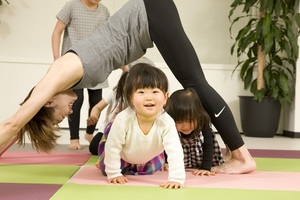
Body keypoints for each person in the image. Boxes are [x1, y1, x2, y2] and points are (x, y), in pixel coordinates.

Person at [0, 0, 256, 174]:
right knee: (195, 83)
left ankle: (243, 157)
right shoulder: (61, 80)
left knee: (195, 84)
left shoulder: (58, 74)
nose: (67, 115)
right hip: (150, 19)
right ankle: (241, 155)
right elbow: (20, 123)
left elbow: (13, 122)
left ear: (47, 102)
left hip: (150, 14)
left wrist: (17, 127)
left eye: (56, 118)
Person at [97, 63, 185, 189]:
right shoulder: (123, 119)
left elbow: (175, 150)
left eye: (155, 91)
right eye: (141, 92)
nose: (149, 98)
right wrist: (114, 173)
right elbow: (113, 147)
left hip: (148, 155)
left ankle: (137, 166)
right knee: (107, 168)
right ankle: (118, 165)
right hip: (123, 155)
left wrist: (176, 179)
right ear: (130, 98)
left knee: (153, 169)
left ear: (165, 97)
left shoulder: (167, 122)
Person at [51, 0, 110, 150]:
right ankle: (74, 138)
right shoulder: (72, 6)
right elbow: (57, 31)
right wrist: (57, 58)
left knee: (96, 100)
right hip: (74, 63)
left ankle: (89, 133)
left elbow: (107, 38)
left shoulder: (104, 11)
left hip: (97, 63)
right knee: (76, 100)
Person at [87, 56, 155, 155]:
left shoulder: (143, 98)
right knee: (94, 148)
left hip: (130, 132)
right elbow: (97, 107)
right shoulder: (116, 92)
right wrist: (94, 116)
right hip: (108, 130)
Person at [164, 88, 224, 175]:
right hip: (181, 158)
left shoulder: (202, 120)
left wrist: (205, 168)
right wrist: (166, 162)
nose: (185, 126)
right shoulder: (169, 124)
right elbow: (166, 145)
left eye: (190, 120)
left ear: (198, 115)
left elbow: (208, 145)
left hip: (201, 157)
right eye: (179, 121)